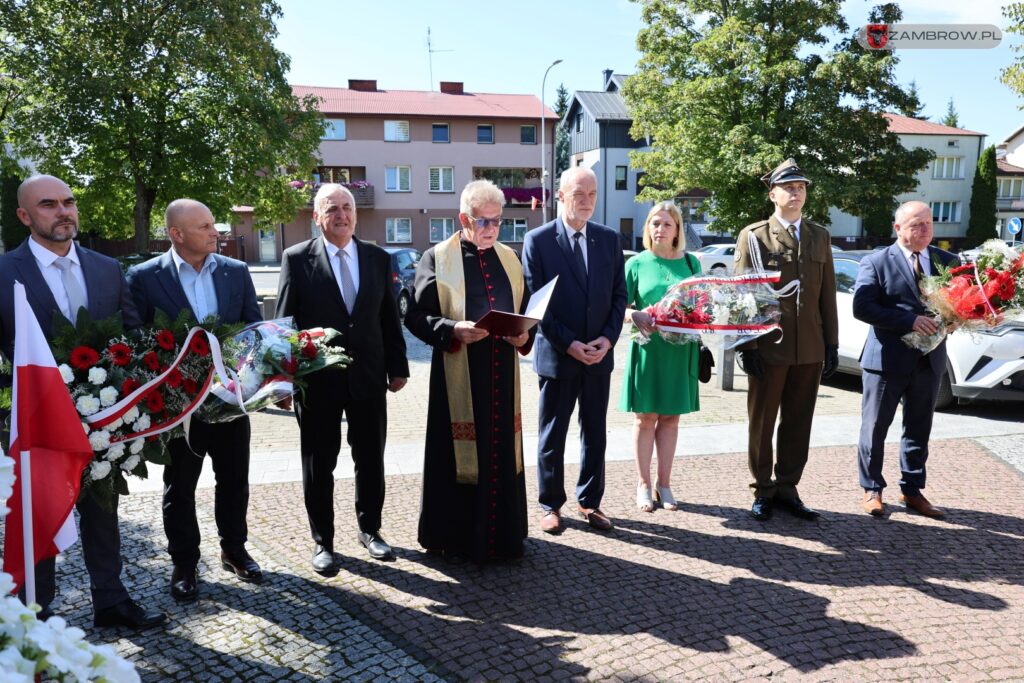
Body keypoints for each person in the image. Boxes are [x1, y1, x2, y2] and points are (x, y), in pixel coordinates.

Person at [0, 174, 165, 629]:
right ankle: (37, 615)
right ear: (24, 216)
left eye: (68, 202)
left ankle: (110, 601)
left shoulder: (106, 268)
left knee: (102, 511)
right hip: (36, 425)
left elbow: (132, 338)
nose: (63, 211)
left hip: (103, 421)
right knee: (39, 516)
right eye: (49, 204)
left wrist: (131, 396)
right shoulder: (3, 272)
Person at [125, 198, 263, 602]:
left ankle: (234, 550)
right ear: (176, 234)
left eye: (213, 226)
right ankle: (184, 562)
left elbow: (253, 328)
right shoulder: (145, 277)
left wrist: (258, 381)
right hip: (177, 407)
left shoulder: (236, 272)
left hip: (230, 401)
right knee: (179, 486)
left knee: (235, 480)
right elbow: (138, 339)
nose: (215, 233)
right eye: (204, 227)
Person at [276, 183, 409, 573]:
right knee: (320, 464)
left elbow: (389, 318)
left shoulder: (377, 258)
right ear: (317, 216)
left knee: (371, 460)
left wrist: (398, 366)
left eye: (347, 207)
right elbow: (284, 324)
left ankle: (370, 530)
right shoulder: (296, 259)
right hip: (318, 382)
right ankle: (324, 542)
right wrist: (282, 380)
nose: (342, 215)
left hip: (368, 376)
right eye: (332, 208)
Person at [405, 180, 532, 562]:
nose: (491, 229)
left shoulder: (509, 258)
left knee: (502, 452)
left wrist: (523, 334)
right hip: (458, 374)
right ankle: (454, 537)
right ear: (463, 218)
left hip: (502, 374)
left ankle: (505, 537)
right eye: (483, 221)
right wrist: (452, 329)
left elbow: (528, 307)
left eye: (497, 221)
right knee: (457, 456)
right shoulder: (436, 258)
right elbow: (414, 315)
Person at [522, 167, 627, 533]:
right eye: (579, 194)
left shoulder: (610, 240)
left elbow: (619, 296)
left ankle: (590, 502)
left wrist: (608, 339)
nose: (587, 201)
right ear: (561, 195)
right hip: (558, 356)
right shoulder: (538, 241)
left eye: (593, 194)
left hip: (599, 356)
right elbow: (539, 306)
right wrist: (570, 344)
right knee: (552, 435)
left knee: (595, 433)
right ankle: (550, 504)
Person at [733, 159, 839, 522]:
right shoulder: (754, 236)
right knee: (762, 421)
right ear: (772, 193)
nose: (797, 192)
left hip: (808, 346)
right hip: (769, 346)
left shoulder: (819, 235)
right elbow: (742, 296)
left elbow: (827, 294)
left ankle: (788, 486)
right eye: (789, 187)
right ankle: (763, 488)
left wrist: (832, 344)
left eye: (802, 187)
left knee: (799, 420)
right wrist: (746, 346)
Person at [852, 201, 958, 518]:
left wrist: (962, 317)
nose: (924, 229)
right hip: (886, 361)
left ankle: (912, 491)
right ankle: (872, 489)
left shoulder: (948, 261)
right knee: (874, 428)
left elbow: (962, 303)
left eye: (928, 223)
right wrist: (908, 321)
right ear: (898, 228)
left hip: (929, 361)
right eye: (916, 224)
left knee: (919, 428)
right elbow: (862, 308)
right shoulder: (876, 261)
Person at [621, 202, 701, 512]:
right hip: (648, 350)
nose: (660, 229)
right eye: (655, 223)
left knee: (670, 418)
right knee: (645, 418)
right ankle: (642, 484)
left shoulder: (692, 264)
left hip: (680, 351)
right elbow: (617, 308)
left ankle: (664, 484)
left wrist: (694, 317)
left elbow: (703, 306)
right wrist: (635, 315)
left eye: (667, 224)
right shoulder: (637, 263)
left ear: (678, 229)